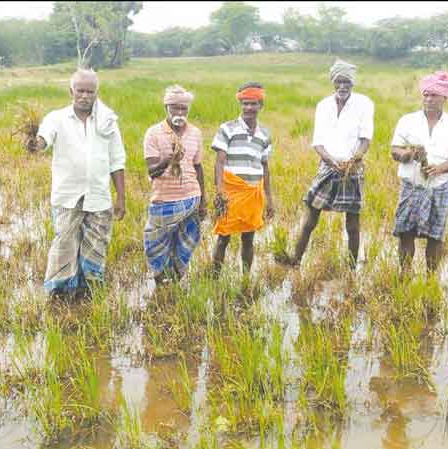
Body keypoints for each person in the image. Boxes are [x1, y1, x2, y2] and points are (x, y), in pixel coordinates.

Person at [27, 69, 127, 299]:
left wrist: (120, 197)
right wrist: (36, 143)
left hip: (99, 196)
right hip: (67, 196)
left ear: (96, 93)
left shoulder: (107, 121)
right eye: (80, 90)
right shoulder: (57, 118)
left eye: (89, 91)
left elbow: (117, 160)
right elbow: (44, 139)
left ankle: (88, 291)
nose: (84, 96)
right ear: (71, 91)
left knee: (96, 246)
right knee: (64, 244)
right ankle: (59, 293)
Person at [277, 59, 374, 269]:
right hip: (327, 167)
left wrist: (355, 159)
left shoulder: (364, 103)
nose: (342, 86)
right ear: (333, 82)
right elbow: (318, 142)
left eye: (346, 82)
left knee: (353, 224)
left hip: (352, 169)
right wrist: (330, 161)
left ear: (353, 83)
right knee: (310, 218)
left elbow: (366, 139)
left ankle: (351, 267)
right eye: (338, 81)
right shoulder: (323, 105)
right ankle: (296, 260)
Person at [390, 70, 448, 273]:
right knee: (406, 232)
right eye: (426, 94)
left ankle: (431, 277)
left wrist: (439, 169)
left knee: (435, 235)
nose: (429, 99)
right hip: (411, 185)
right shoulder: (407, 120)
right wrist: (408, 154)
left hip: (440, 187)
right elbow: (394, 150)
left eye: (434, 95)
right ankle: (405, 273)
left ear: (445, 97)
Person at [142, 85, 206, 284]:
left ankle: (177, 280)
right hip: (164, 201)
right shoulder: (153, 133)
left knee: (185, 245)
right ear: (166, 108)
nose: (179, 113)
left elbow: (198, 167)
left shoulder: (195, 133)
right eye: (174, 108)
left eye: (183, 109)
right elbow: (152, 171)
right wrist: (167, 160)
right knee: (155, 244)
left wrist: (203, 199)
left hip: (191, 199)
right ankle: (161, 281)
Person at [211, 82, 274, 276]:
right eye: (245, 103)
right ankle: (215, 276)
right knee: (223, 238)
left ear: (260, 105)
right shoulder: (227, 128)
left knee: (248, 238)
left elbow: (265, 167)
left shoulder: (264, 134)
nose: (248, 108)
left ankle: (246, 277)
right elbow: (219, 163)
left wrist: (269, 199)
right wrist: (220, 192)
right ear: (240, 104)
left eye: (253, 104)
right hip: (230, 192)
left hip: (253, 192)